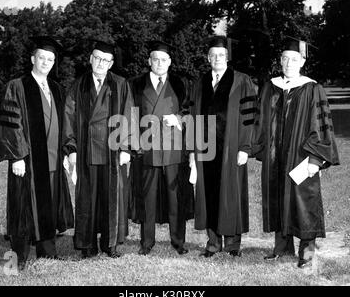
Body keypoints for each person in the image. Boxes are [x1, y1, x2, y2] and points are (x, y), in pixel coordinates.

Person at [252, 36, 340, 268]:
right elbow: (261, 122)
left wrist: (315, 159)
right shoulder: (270, 87)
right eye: (285, 59)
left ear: (302, 62)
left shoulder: (313, 89)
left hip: (301, 158)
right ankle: (281, 247)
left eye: (294, 59)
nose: (289, 63)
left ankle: (307, 251)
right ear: (280, 61)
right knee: (279, 199)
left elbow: (321, 126)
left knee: (304, 203)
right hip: (275, 158)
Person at [0, 36, 74, 270]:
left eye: (51, 59)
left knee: (49, 205)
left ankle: (47, 252)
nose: (46, 62)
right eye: (42, 57)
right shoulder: (17, 86)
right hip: (27, 160)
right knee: (23, 206)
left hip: (52, 160)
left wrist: (65, 153)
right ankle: (18, 256)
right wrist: (17, 156)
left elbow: (63, 125)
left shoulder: (57, 89)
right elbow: (11, 124)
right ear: (33, 59)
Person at [63, 40, 134, 259]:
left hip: (112, 151)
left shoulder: (120, 84)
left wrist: (125, 147)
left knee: (111, 198)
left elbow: (128, 114)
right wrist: (71, 148)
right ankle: (87, 245)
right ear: (90, 59)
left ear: (111, 63)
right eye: (97, 58)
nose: (101, 63)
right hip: (86, 150)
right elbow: (69, 116)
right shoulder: (79, 84)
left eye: (106, 60)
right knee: (87, 199)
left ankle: (110, 244)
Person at [189, 36, 258, 258]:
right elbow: (192, 116)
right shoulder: (200, 83)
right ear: (208, 58)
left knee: (232, 194)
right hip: (206, 148)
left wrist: (245, 148)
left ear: (227, 57)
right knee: (208, 193)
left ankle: (232, 244)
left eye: (221, 55)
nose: (217, 58)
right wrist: (193, 149)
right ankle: (212, 242)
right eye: (213, 55)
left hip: (231, 147)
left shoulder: (242, 80)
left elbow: (250, 116)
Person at [129, 40, 193, 256]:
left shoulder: (180, 83)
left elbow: (190, 111)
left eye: (163, 59)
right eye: (155, 59)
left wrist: (178, 118)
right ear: (149, 61)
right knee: (148, 197)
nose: (159, 63)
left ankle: (178, 241)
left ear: (170, 62)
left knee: (175, 197)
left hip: (174, 149)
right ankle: (146, 242)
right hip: (147, 148)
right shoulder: (136, 84)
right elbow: (130, 114)